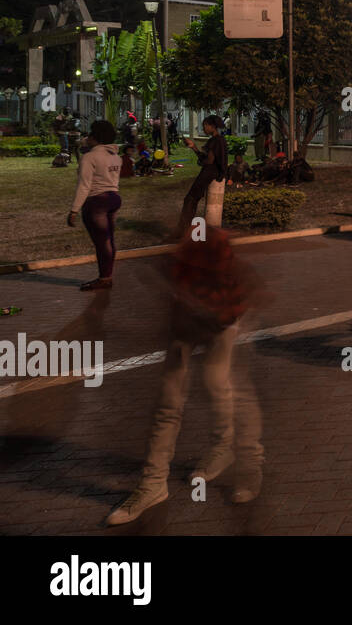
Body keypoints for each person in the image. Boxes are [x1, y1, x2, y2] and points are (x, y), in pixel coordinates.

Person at [105, 228, 264, 525]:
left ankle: (246, 465)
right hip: (185, 325)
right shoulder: (180, 261)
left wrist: (208, 312)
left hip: (222, 323)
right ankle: (153, 485)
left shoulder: (230, 275)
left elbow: (233, 308)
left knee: (222, 385)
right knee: (168, 402)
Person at [66, 119, 122, 291]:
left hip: (97, 202)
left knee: (102, 242)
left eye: (90, 134)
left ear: (95, 137)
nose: (87, 137)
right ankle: (107, 276)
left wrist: (74, 210)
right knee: (109, 240)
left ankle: (104, 278)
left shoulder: (90, 157)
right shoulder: (116, 157)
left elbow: (84, 185)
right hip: (113, 198)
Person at [178, 115, 228, 233]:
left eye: (205, 125)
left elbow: (209, 161)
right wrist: (194, 147)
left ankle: (183, 229)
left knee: (190, 199)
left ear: (212, 126)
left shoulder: (216, 140)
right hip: (211, 171)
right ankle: (184, 228)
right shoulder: (217, 140)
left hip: (210, 172)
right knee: (192, 198)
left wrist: (202, 160)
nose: (203, 128)